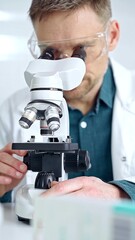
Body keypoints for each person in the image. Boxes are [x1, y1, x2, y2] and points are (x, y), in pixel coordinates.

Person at [1, 0, 135, 202]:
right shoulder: (13, 108)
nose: (65, 65)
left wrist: (122, 193)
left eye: (80, 50)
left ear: (112, 36)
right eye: (50, 52)